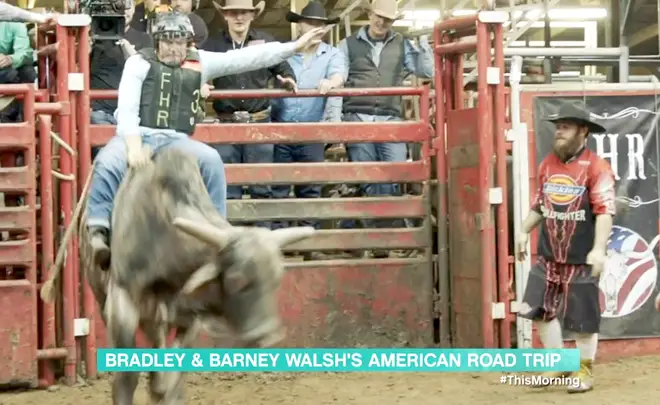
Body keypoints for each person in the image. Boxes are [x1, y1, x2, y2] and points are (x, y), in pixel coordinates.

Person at [86, 11, 326, 268]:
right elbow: (128, 109)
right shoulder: (138, 63)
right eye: (168, 41)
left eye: (180, 42)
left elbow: (245, 58)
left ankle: (216, 229)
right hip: (137, 134)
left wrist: (293, 47)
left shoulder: (200, 61)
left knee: (211, 160)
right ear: (157, 42)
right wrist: (133, 147)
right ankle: (98, 229)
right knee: (107, 161)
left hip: (174, 139)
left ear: (188, 42)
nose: (174, 48)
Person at [516, 101, 615, 393]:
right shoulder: (548, 163)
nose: (558, 132)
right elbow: (539, 205)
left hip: (581, 258)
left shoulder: (598, 167)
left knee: (583, 319)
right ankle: (558, 362)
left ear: (582, 131)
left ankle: (584, 372)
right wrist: (523, 230)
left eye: (565, 127)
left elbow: (605, 211)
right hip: (549, 254)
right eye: (557, 127)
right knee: (537, 309)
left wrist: (598, 249)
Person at [337, 0, 433, 258]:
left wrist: (424, 42)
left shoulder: (402, 43)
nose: (382, 23)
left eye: (388, 20)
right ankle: (379, 239)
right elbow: (338, 77)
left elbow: (426, 71)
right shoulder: (347, 45)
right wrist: (336, 120)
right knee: (369, 177)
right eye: (379, 17)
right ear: (369, 14)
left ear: (393, 22)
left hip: (390, 119)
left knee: (396, 174)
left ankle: (380, 236)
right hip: (357, 116)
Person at [202, 0, 296, 221]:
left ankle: (261, 243)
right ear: (225, 15)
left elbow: (283, 66)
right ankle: (231, 245)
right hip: (226, 125)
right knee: (227, 187)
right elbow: (195, 67)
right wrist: (200, 82)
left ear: (253, 15)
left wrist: (288, 78)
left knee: (261, 186)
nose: (239, 18)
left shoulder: (266, 43)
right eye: (234, 13)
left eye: (244, 13)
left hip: (259, 123)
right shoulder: (213, 45)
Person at [270, 1, 344, 260]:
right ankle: (278, 247)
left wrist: (331, 83)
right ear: (300, 24)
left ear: (324, 29)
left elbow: (339, 75)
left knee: (310, 189)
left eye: (319, 25)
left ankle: (306, 246)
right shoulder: (284, 52)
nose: (314, 28)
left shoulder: (332, 55)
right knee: (278, 189)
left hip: (312, 131)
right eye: (310, 23)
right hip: (281, 129)